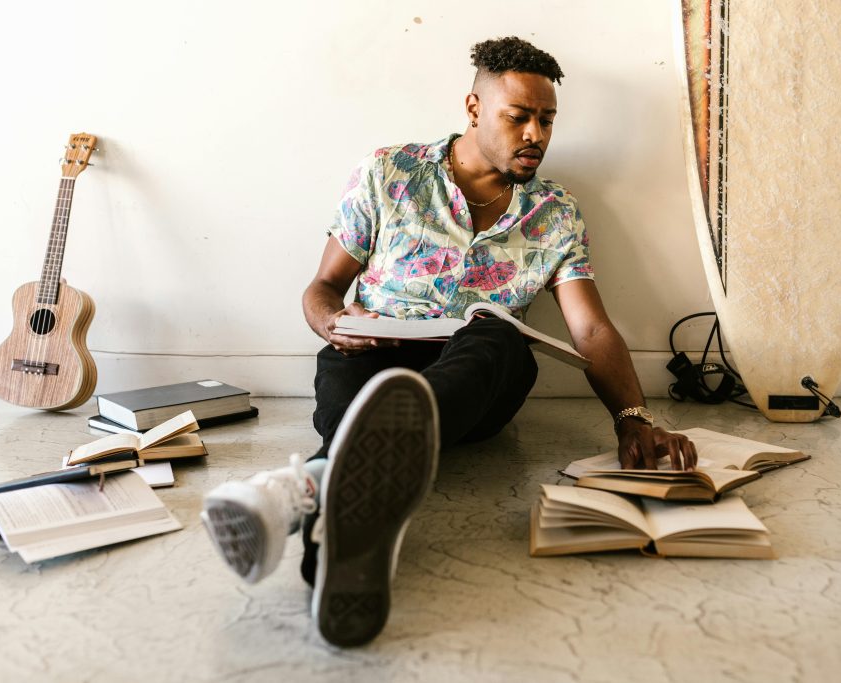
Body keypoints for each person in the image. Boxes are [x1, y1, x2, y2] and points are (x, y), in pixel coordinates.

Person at [201, 36, 698, 648]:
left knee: (495, 332)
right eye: (518, 116)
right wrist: (334, 323)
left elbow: (590, 328)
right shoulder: (390, 172)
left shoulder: (555, 212)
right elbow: (323, 287)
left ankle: (303, 483)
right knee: (354, 409)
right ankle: (333, 553)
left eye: (547, 120)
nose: (535, 134)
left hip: (482, 374)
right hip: (374, 355)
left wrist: (631, 414)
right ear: (473, 108)